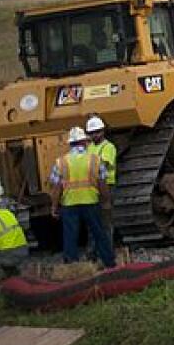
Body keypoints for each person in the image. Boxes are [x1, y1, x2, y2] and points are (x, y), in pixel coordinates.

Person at [50, 126, 115, 268]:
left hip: (69, 204)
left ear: (70, 144)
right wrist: (106, 201)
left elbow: (56, 188)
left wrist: (54, 206)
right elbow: (102, 183)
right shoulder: (95, 160)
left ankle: (71, 266)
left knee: (70, 237)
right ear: (85, 142)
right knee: (99, 233)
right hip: (91, 202)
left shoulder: (60, 162)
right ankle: (109, 263)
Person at [85, 115, 117, 232]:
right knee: (93, 220)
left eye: (97, 132)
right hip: (93, 186)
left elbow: (103, 164)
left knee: (105, 219)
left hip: (106, 185)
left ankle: (107, 247)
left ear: (103, 132)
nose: (94, 135)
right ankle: (95, 247)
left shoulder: (108, 147)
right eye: (92, 133)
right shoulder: (90, 147)